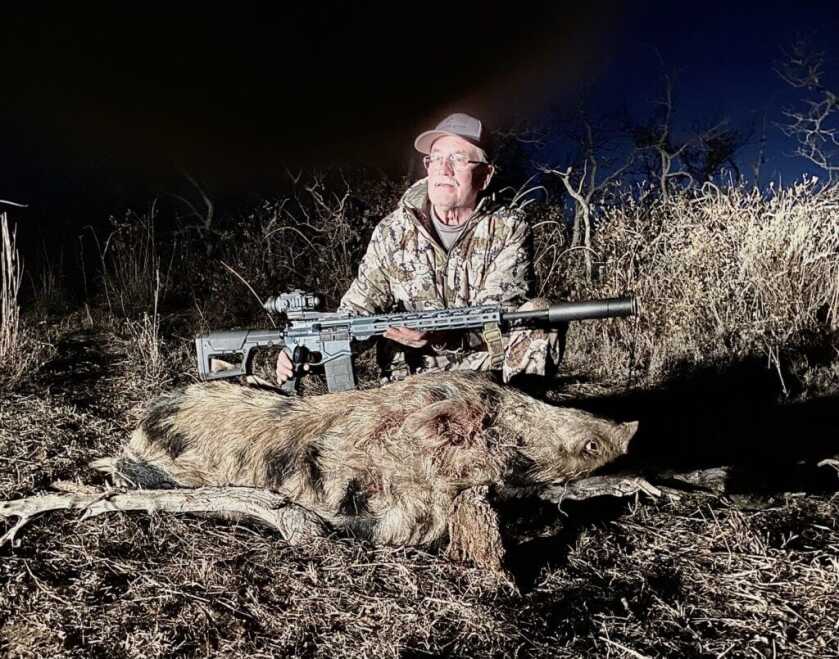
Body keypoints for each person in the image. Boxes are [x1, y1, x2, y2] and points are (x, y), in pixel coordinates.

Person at [277, 112, 560, 386]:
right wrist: (306, 349)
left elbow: (503, 316)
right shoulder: (392, 231)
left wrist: (443, 338)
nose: (443, 169)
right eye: (435, 158)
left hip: (486, 376)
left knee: (540, 313)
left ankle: (521, 414)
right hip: (409, 384)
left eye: (457, 158)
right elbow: (356, 312)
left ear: (485, 175)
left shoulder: (509, 227)